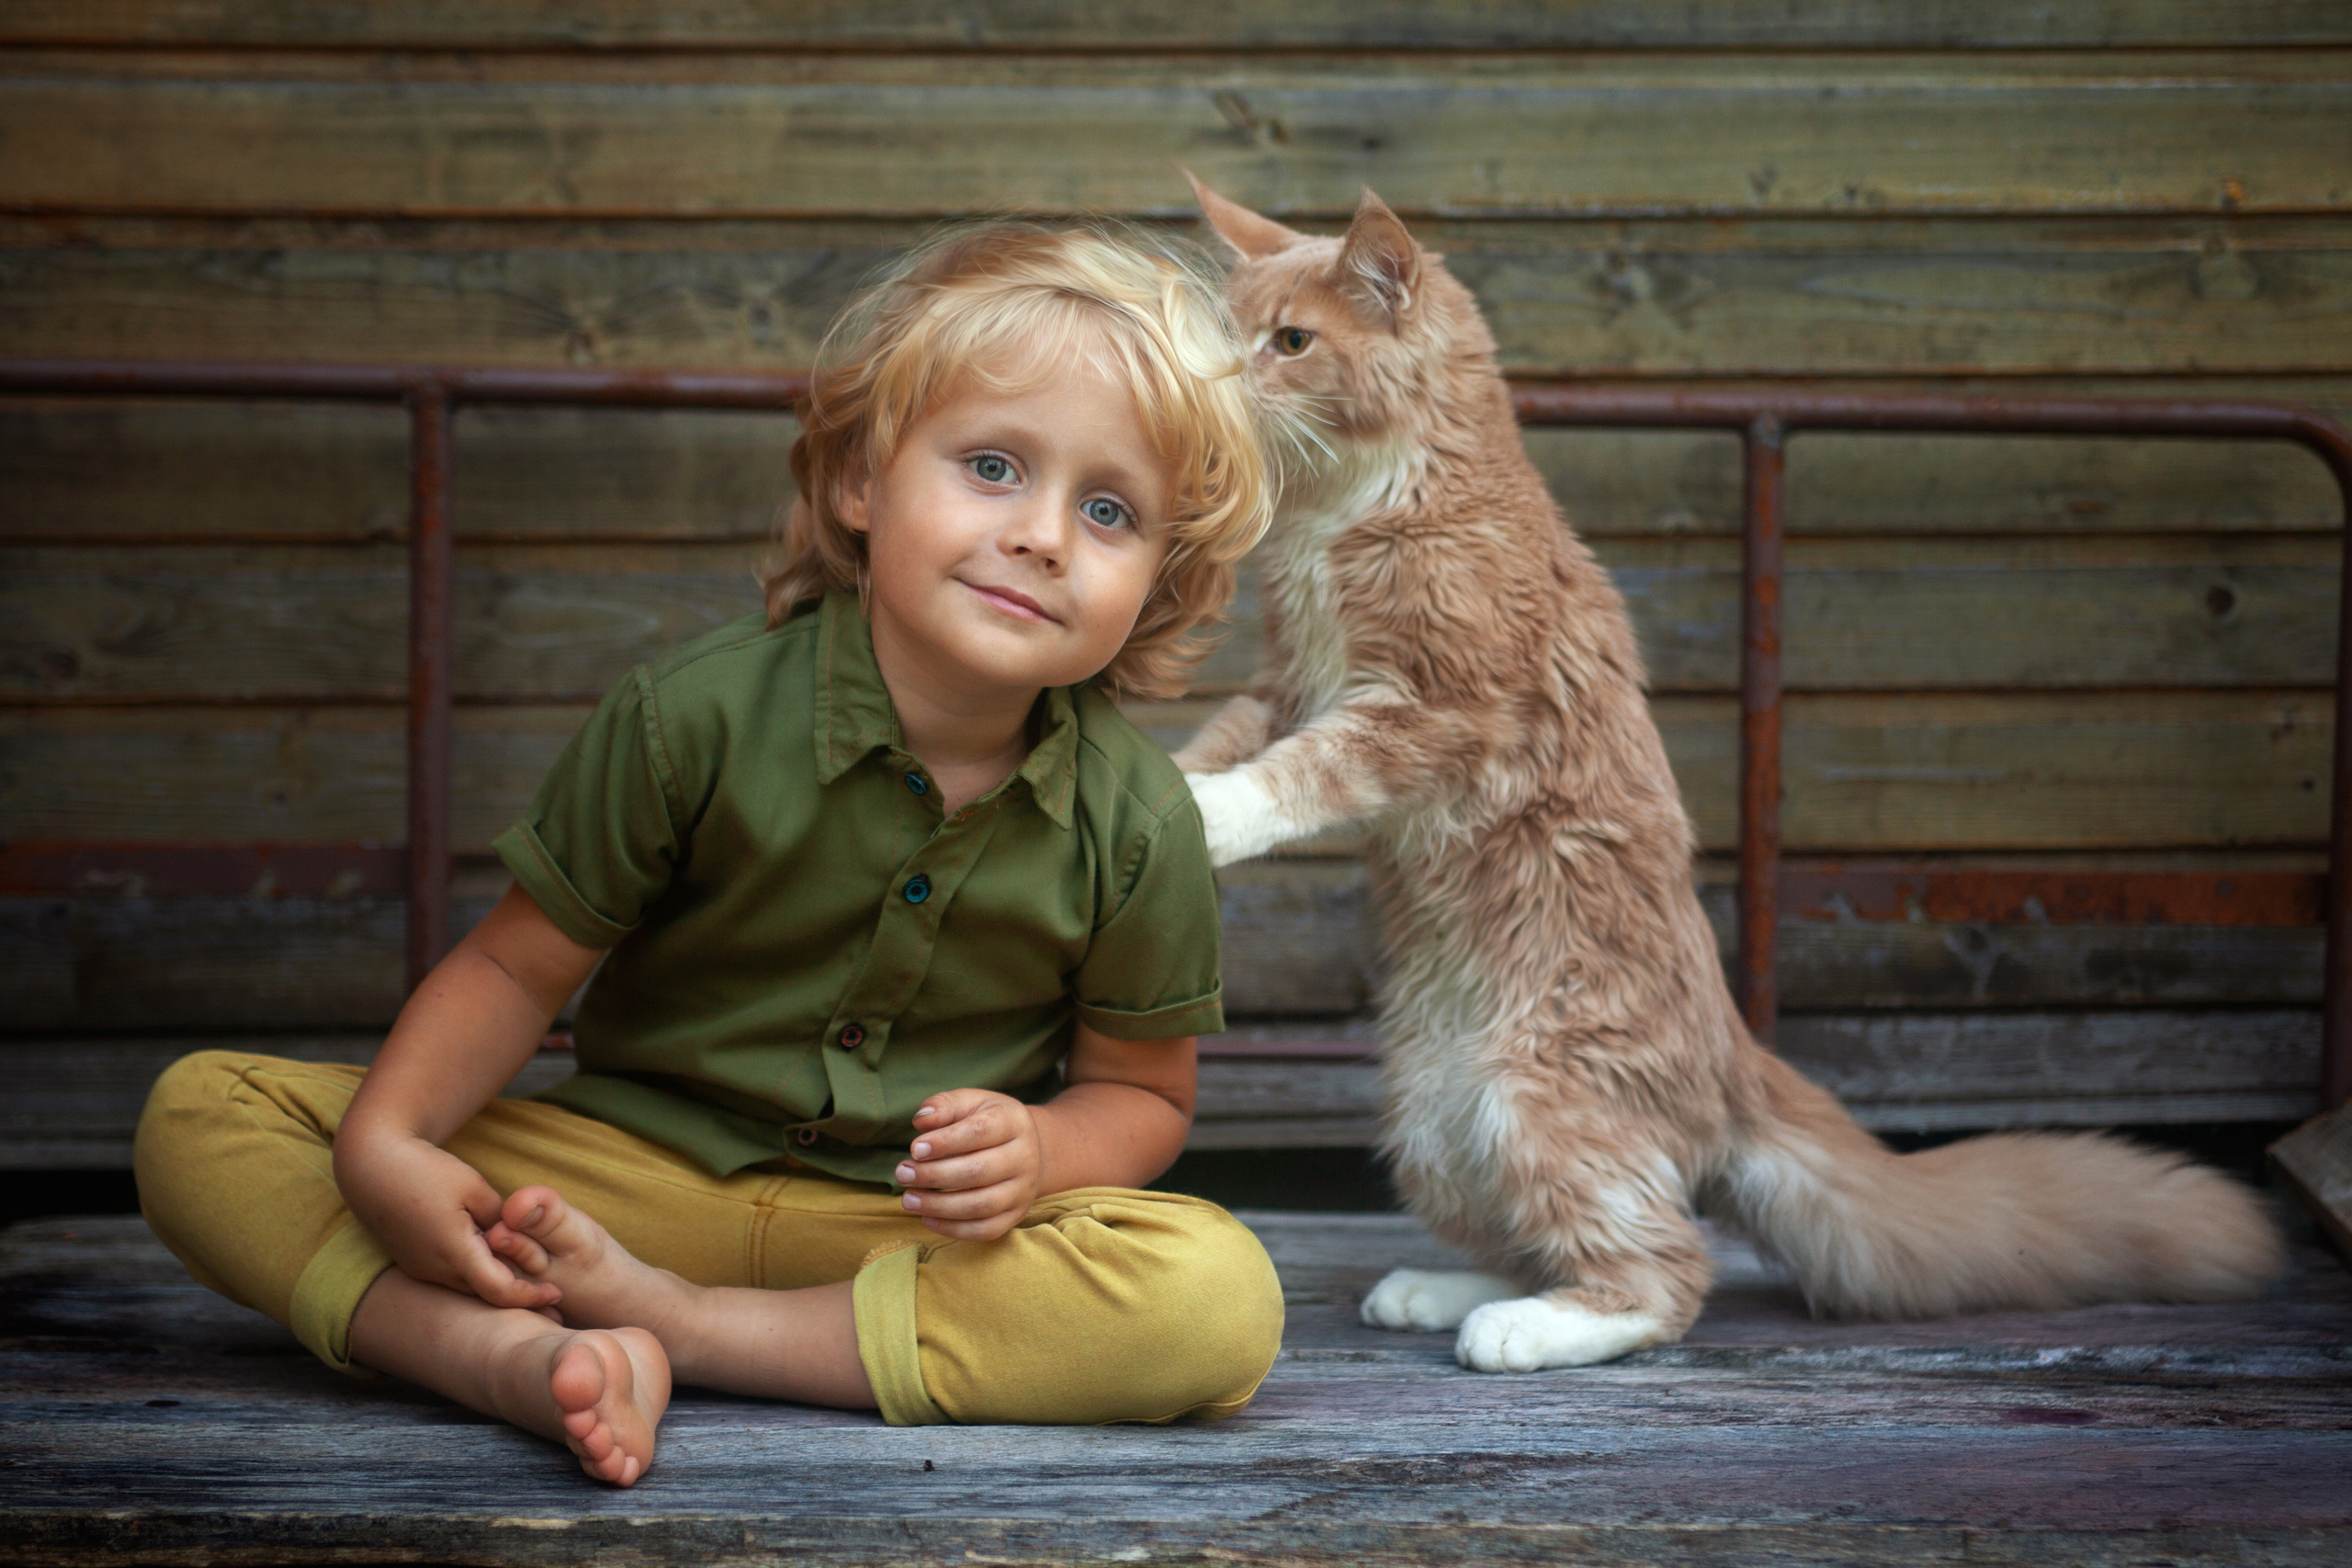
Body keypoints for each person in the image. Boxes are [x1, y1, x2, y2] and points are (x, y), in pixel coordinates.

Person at [133, 219, 1284, 1486]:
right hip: (617, 1182)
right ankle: (493, 1356)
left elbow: (1143, 1095)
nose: (1045, 534)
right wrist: (391, 1146)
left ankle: (687, 1332)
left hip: (896, 1236)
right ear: (862, 478)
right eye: (995, 465)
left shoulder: (1140, 823)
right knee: (203, 1120)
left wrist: (1043, 1153)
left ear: (1161, 586)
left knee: (1215, 1298)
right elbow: (517, 973)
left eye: (1110, 510)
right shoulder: (692, 719)